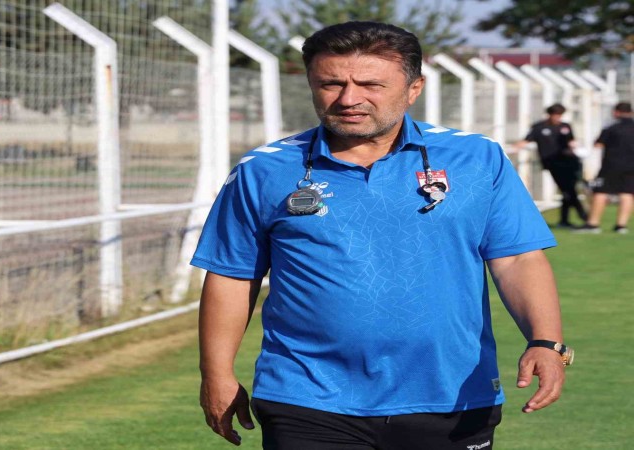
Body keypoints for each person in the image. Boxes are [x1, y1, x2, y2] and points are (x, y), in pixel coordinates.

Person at [192, 21, 571, 450]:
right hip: (307, 396)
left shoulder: (477, 158)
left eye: (370, 84)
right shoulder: (263, 170)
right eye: (331, 84)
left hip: (452, 394)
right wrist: (216, 374)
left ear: (413, 88)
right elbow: (231, 274)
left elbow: (517, 258)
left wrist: (545, 341)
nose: (348, 99)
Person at [516, 104, 588, 228]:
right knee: (568, 190)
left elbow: (571, 142)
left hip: (570, 162)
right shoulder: (539, 127)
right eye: (555, 115)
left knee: (568, 191)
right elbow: (525, 141)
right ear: (549, 114)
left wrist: (576, 149)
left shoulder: (565, 126)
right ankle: (585, 217)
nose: (557, 117)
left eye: (559, 115)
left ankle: (565, 220)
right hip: (553, 164)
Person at [574, 102, 634, 234]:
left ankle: (593, 224)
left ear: (616, 112)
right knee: (627, 193)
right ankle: (621, 226)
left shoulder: (611, 127)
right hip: (631, 166)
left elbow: (598, 144)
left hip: (611, 165)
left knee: (601, 192)